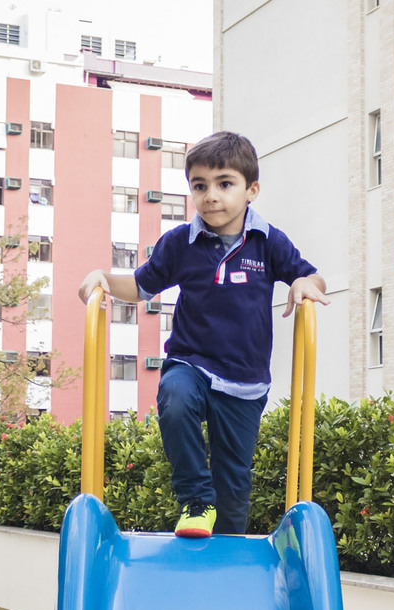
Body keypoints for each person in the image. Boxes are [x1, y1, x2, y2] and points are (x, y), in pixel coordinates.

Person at [77, 131, 328, 537]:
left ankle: (224, 553)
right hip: (190, 363)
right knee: (174, 399)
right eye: (200, 186)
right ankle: (196, 500)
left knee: (234, 485)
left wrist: (303, 283)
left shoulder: (268, 242)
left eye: (224, 184)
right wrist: (102, 278)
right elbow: (141, 286)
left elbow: (312, 277)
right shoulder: (181, 243)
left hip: (244, 380)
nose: (211, 196)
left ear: (252, 190)